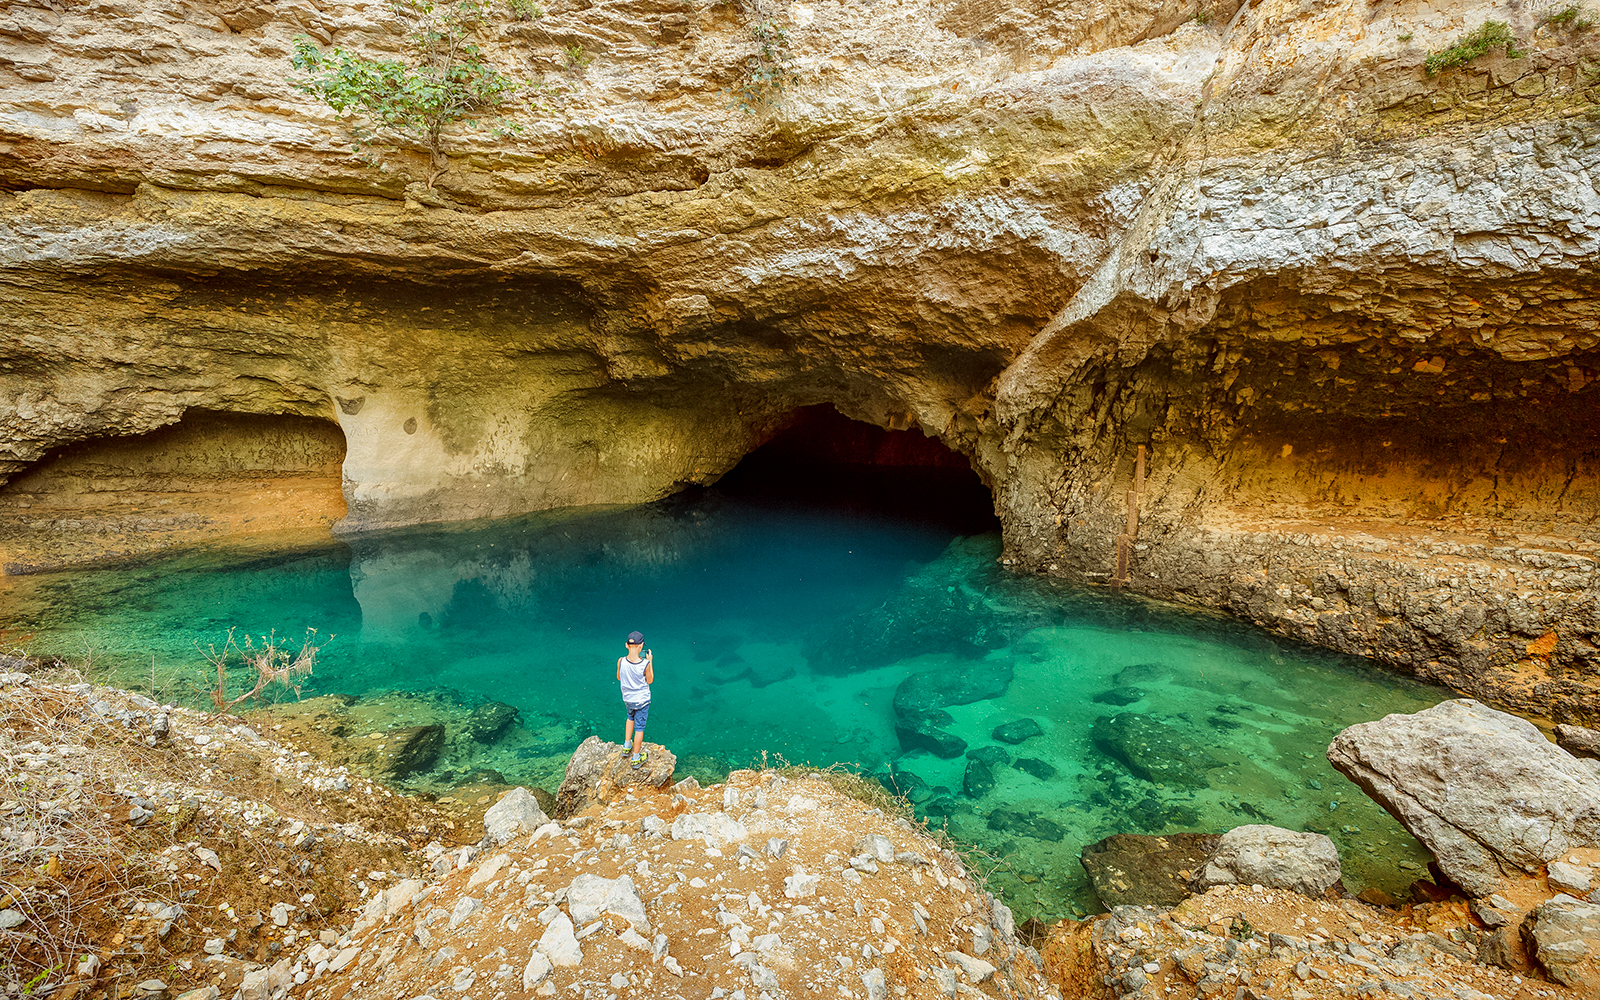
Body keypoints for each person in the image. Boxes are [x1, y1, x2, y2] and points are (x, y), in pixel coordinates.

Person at [617, 630, 654, 768]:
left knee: (630, 717)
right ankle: (636, 757)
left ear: (627, 645)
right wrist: (650, 662)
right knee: (640, 728)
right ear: (641, 646)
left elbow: (619, 677)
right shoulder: (644, 664)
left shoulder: (620, 661)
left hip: (628, 700)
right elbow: (649, 680)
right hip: (642, 701)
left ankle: (627, 745)